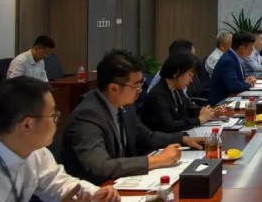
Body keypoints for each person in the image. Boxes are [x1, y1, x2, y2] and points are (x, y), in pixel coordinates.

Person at [61, 49, 203, 185]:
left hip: (121, 182)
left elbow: (146, 137)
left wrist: (183, 139)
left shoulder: (126, 106)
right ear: (114, 88)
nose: (140, 90)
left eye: (141, 84)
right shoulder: (87, 116)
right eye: (135, 85)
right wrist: (157, 160)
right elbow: (101, 167)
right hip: (95, 192)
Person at [142, 51, 220, 133]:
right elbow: (169, 126)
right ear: (177, 72)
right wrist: (199, 120)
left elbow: (190, 108)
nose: (191, 80)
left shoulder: (177, 90)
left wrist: (210, 113)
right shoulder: (157, 95)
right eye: (189, 75)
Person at [208, 31, 258, 105]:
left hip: (232, 97)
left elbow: (238, 80)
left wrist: (247, 80)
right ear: (242, 48)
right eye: (251, 47)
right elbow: (234, 87)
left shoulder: (234, 56)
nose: (252, 50)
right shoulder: (228, 61)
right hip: (221, 102)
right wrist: (248, 83)